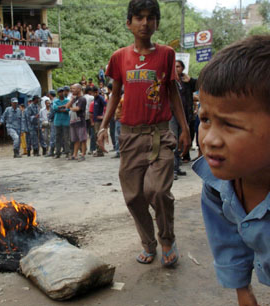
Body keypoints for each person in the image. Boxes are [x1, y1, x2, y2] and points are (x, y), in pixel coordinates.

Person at [97, 0, 190, 267]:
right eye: (139, 17)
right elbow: (115, 95)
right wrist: (103, 127)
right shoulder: (119, 57)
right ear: (129, 23)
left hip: (160, 134)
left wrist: (184, 129)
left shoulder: (167, 54)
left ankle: (167, 239)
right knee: (134, 196)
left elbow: (172, 93)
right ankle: (149, 244)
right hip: (129, 136)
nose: (145, 23)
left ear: (157, 23)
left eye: (151, 18)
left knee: (157, 190)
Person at [192, 35, 270, 306]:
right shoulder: (216, 182)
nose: (210, 139)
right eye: (205, 119)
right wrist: (241, 289)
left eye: (230, 125)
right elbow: (225, 238)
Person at [175, 60, 197, 163]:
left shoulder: (187, 81)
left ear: (183, 68)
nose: (176, 68)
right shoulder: (171, 81)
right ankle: (176, 160)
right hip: (173, 115)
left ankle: (184, 155)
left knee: (188, 134)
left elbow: (200, 86)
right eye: (174, 67)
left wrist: (191, 81)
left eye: (178, 66)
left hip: (187, 113)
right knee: (176, 136)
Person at [67, 84, 87, 161]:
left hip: (80, 121)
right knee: (75, 139)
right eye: (71, 88)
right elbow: (67, 106)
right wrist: (72, 100)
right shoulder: (74, 99)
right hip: (73, 121)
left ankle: (82, 155)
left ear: (79, 89)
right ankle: (74, 155)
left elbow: (77, 108)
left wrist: (71, 108)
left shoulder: (82, 99)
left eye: (74, 88)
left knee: (83, 139)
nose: (72, 90)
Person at [53, 88, 70, 158]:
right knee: (57, 138)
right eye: (59, 92)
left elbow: (68, 109)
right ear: (58, 93)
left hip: (66, 121)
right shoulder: (55, 101)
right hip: (57, 122)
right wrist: (63, 107)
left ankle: (67, 152)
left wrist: (60, 108)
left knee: (66, 138)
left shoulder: (67, 100)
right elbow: (55, 108)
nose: (61, 93)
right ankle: (57, 153)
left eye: (62, 92)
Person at [92, 86, 106, 157]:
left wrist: (103, 116)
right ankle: (99, 150)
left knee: (98, 135)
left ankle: (100, 152)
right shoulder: (95, 98)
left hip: (99, 121)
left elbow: (106, 105)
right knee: (96, 135)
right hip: (96, 120)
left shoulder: (100, 98)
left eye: (95, 92)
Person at [83, 86, 95, 155]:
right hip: (90, 117)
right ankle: (92, 149)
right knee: (92, 134)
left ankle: (84, 149)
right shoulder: (91, 97)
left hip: (83, 117)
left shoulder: (82, 97)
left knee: (84, 134)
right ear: (90, 91)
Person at [46, 90, 57, 157]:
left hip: (54, 120)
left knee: (53, 136)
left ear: (50, 95)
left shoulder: (53, 102)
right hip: (58, 120)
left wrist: (49, 117)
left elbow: (52, 112)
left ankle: (51, 151)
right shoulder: (57, 100)